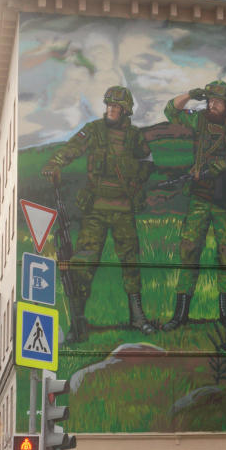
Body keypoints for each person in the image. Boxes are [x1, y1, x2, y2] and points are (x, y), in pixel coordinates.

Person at [41, 85, 157, 338]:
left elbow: (148, 162)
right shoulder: (94, 131)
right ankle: (78, 324)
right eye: (108, 106)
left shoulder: (135, 136)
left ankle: (137, 318)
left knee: (131, 263)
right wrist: (55, 163)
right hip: (96, 209)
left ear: (125, 110)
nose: (110, 110)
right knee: (82, 264)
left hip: (123, 208)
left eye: (115, 107)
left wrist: (137, 181)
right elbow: (72, 148)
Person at [161, 80, 226, 332]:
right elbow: (171, 110)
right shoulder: (199, 120)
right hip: (200, 198)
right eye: (210, 100)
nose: (213, 104)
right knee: (189, 251)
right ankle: (180, 315)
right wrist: (191, 94)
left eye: (219, 101)